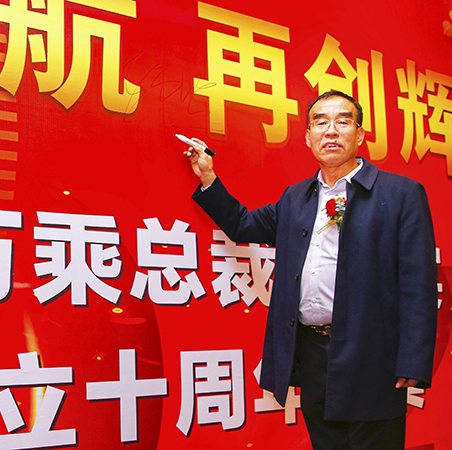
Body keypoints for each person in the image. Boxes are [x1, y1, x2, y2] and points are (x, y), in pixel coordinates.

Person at [184, 91, 438, 450]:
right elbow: (244, 225)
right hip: (313, 353)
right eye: (320, 122)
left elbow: (418, 283)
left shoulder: (401, 193)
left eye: (342, 121)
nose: (330, 131)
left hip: (372, 355)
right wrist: (209, 177)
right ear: (308, 137)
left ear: (360, 134)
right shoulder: (296, 197)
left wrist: (413, 360)